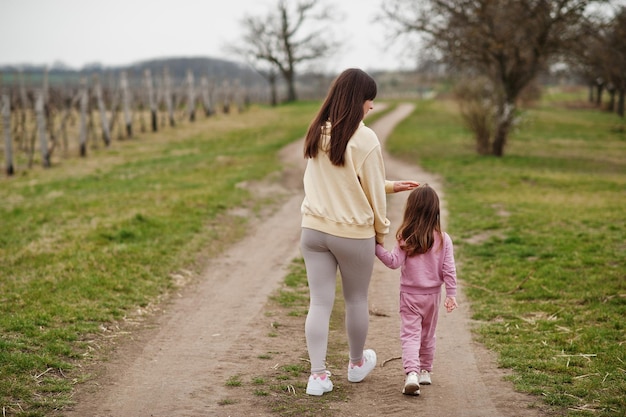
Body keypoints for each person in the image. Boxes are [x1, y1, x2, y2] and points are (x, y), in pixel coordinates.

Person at [300, 68, 419, 396]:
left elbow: (344, 182)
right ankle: (355, 365)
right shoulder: (365, 138)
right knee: (356, 300)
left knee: (319, 303)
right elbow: (371, 197)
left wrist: (392, 185)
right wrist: (381, 234)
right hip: (353, 235)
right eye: (370, 100)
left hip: (313, 231)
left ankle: (318, 376)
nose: (372, 107)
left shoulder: (317, 131)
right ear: (358, 100)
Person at [375, 184, 458, 396]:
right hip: (432, 297)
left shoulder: (406, 236)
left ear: (410, 209)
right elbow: (449, 269)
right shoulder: (443, 239)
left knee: (411, 335)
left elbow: (393, 262)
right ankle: (425, 371)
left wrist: (375, 247)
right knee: (428, 335)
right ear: (435, 211)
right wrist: (451, 294)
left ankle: (411, 373)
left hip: (410, 296)